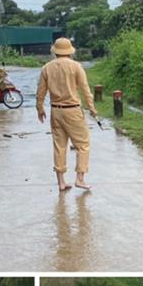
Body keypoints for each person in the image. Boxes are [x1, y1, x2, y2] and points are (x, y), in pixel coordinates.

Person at [35, 37, 98, 192]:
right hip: (73, 110)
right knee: (82, 145)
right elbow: (85, 89)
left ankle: (61, 182)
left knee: (59, 146)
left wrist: (40, 108)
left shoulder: (46, 68)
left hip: (55, 111)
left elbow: (40, 91)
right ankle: (80, 179)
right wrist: (92, 108)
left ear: (55, 51)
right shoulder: (76, 67)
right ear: (70, 51)